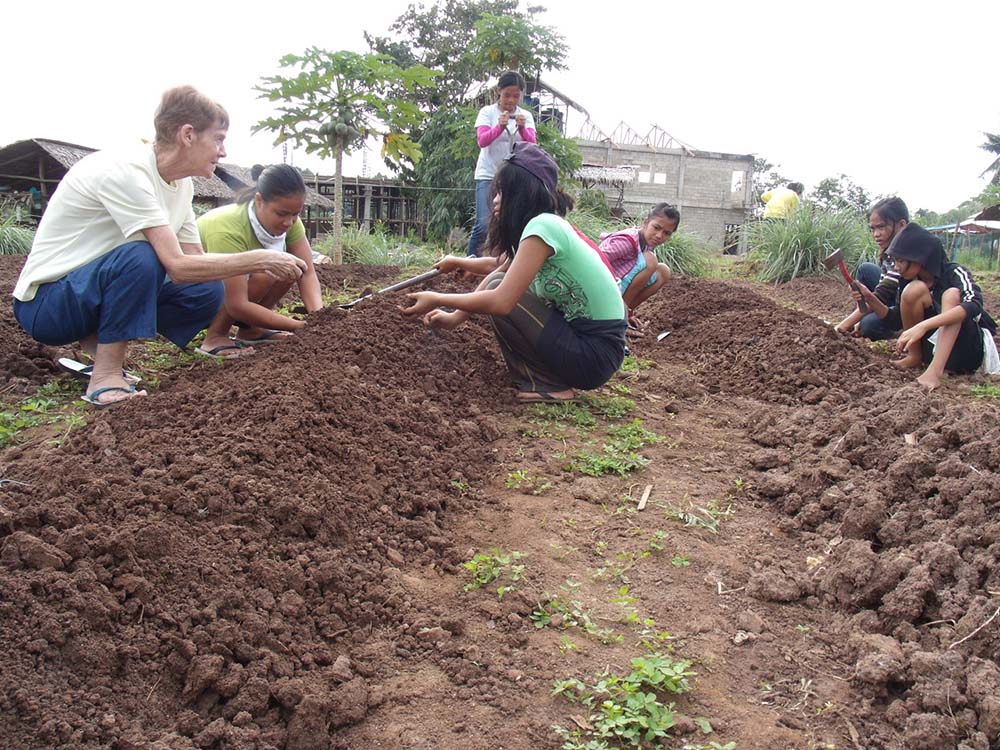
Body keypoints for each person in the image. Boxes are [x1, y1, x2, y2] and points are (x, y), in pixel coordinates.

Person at [11, 86, 305, 408]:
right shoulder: (127, 172)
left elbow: (195, 258)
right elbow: (176, 265)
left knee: (208, 289)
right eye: (218, 139)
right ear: (188, 134)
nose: (223, 152)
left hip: (86, 292)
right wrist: (257, 258)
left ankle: (98, 344)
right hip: (47, 304)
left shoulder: (182, 185)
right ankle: (106, 373)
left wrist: (254, 262)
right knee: (142, 256)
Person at [401, 144, 626, 403]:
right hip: (588, 347)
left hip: (593, 354)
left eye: (502, 192)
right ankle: (548, 380)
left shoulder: (543, 227)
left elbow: (501, 300)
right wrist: (456, 311)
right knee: (499, 281)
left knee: (504, 294)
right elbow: (499, 268)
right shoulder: (546, 225)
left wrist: (438, 298)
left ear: (521, 194)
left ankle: (547, 383)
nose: (495, 200)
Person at [196, 164, 323, 357]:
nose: (289, 222)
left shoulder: (291, 223)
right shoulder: (227, 227)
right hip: (193, 294)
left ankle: (252, 330)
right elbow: (236, 304)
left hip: (231, 290)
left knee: (289, 269)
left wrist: (319, 317)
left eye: (295, 214)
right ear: (259, 201)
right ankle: (215, 336)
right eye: (281, 214)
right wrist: (301, 326)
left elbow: (307, 272)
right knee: (266, 273)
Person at [854, 223, 998, 390]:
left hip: (968, 351)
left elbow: (974, 304)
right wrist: (869, 297)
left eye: (900, 260)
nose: (896, 267)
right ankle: (915, 356)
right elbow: (895, 321)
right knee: (913, 290)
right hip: (933, 349)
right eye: (894, 261)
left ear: (920, 258)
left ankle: (934, 372)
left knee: (951, 295)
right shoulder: (909, 280)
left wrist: (924, 325)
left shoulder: (954, 273)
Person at [467, 70, 536, 257]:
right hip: (488, 174)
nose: (511, 101)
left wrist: (522, 128)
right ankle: (468, 263)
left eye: (516, 96)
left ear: (521, 95)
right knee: (483, 225)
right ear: (499, 92)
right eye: (507, 95)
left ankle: (506, 263)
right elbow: (482, 141)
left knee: (510, 222)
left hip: (512, 177)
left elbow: (532, 145)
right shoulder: (487, 113)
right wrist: (499, 127)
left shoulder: (525, 116)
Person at [834, 196, 908, 338]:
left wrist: (842, 326)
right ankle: (861, 316)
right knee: (865, 269)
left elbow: (881, 295)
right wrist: (859, 314)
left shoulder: (905, 256)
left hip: (905, 306)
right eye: (873, 229)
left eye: (881, 227)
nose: (876, 234)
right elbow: (882, 286)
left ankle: (900, 329)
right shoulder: (888, 252)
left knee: (869, 325)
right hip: (893, 295)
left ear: (901, 225)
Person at [599, 204, 678, 332]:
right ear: (646, 223)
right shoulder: (627, 241)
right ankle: (616, 319)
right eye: (656, 227)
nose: (659, 235)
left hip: (616, 291)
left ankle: (625, 312)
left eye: (666, 233)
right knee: (650, 260)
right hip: (602, 291)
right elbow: (596, 260)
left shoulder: (647, 243)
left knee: (663, 271)